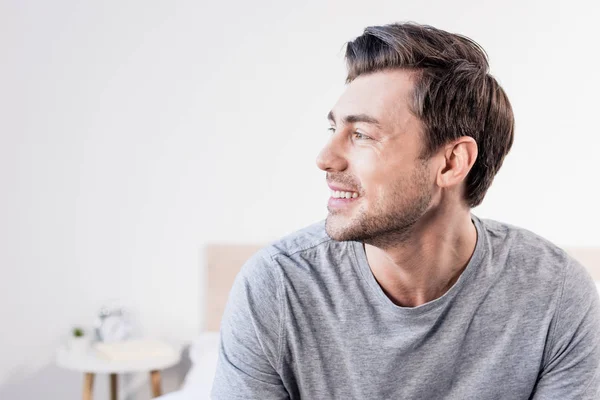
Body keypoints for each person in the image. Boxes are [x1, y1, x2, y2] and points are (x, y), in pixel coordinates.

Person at [210, 22, 600, 399]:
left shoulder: (555, 296)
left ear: (451, 163)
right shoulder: (278, 287)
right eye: (335, 131)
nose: (325, 159)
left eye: (361, 135)